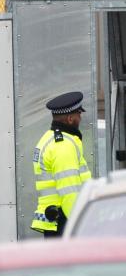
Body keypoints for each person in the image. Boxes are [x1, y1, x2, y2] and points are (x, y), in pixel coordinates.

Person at [31, 91, 92, 237]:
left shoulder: (49, 138)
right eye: (79, 114)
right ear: (70, 119)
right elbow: (69, 191)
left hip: (56, 220)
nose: (80, 118)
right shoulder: (63, 145)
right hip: (65, 222)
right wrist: (82, 223)